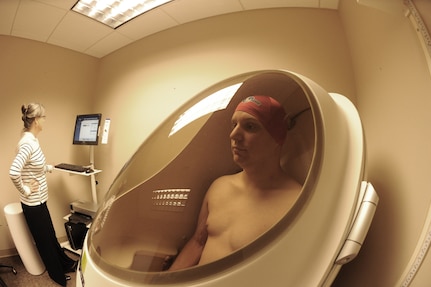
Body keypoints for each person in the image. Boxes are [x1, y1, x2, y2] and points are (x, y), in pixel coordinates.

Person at [169, 95, 302, 270]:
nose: (234, 135)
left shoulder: (296, 204)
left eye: (250, 126)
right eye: (234, 125)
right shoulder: (220, 186)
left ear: (277, 137)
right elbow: (198, 243)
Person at [9, 103, 77, 286]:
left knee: (50, 236)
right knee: (44, 241)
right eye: (44, 117)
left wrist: (47, 168)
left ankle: (64, 265)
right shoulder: (27, 144)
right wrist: (26, 189)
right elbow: (14, 172)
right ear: (37, 120)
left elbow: (31, 166)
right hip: (33, 204)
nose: (45, 120)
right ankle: (58, 276)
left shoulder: (32, 140)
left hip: (40, 201)